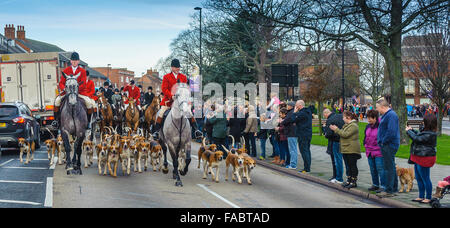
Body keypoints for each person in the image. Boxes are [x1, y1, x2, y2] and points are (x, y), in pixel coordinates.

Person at [152, 59, 202, 139]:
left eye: (179, 67)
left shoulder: (183, 77)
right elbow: (164, 89)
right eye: (176, 67)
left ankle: (196, 131)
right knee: (161, 112)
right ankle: (157, 132)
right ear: (172, 68)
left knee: (189, 112)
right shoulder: (166, 77)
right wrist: (171, 95)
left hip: (181, 101)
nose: (178, 68)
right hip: (168, 101)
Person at [53, 52, 95, 128]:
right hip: (68, 93)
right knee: (57, 101)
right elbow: (61, 83)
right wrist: (65, 89)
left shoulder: (82, 71)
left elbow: (83, 84)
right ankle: (56, 121)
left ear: (78, 61)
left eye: (76, 60)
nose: (74, 62)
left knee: (89, 103)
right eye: (73, 60)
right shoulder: (66, 70)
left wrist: (76, 90)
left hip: (80, 92)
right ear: (70, 61)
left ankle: (88, 122)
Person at [407, 114, 438, 204]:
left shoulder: (431, 134)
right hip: (418, 156)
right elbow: (419, 134)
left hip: (425, 158)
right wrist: (412, 130)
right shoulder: (425, 131)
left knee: (425, 178)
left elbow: (417, 139)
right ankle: (421, 196)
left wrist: (408, 132)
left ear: (428, 123)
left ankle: (428, 197)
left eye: (424, 121)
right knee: (419, 178)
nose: (422, 122)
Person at [376, 98, 400, 198]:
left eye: (377, 108)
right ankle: (393, 188)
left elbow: (391, 131)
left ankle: (389, 190)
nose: (377, 110)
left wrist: (383, 141)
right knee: (391, 166)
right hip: (387, 144)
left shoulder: (391, 115)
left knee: (388, 167)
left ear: (383, 106)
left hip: (389, 145)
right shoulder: (387, 115)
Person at [330, 111, 361, 189]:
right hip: (346, 148)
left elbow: (345, 134)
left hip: (352, 149)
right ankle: (349, 180)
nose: (343, 119)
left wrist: (336, 129)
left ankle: (353, 181)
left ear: (348, 117)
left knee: (352, 165)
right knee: (348, 165)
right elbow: (343, 133)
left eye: (344, 117)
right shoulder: (347, 125)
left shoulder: (353, 125)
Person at [364, 110, 386, 192]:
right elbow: (366, 137)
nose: (369, 120)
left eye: (371, 118)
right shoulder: (368, 126)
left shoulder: (380, 126)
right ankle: (375, 184)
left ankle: (383, 185)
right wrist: (365, 144)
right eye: (368, 118)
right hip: (369, 150)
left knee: (380, 169)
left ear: (375, 118)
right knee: (373, 169)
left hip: (378, 151)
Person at [323, 109, 345, 184]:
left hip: (335, 141)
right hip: (344, 140)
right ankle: (338, 177)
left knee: (336, 160)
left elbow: (328, 134)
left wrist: (324, 130)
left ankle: (338, 177)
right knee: (341, 160)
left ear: (326, 114)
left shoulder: (330, 120)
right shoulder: (340, 116)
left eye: (324, 115)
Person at [292, 100, 312, 173]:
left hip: (302, 134)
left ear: (300, 105)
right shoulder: (308, 111)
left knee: (304, 151)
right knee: (307, 150)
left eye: (296, 106)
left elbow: (293, 119)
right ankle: (308, 167)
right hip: (308, 134)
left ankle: (306, 168)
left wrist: (294, 112)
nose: (296, 107)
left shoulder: (302, 113)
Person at [282, 101, 298, 169]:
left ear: (291, 106)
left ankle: (293, 164)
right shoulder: (291, 112)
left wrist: (282, 121)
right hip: (292, 133)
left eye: (287, 105)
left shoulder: (291, 113)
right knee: (293, 149)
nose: (286, 106)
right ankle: (292, 163)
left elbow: (286, 121)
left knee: (293, 150)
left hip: (291, 133)